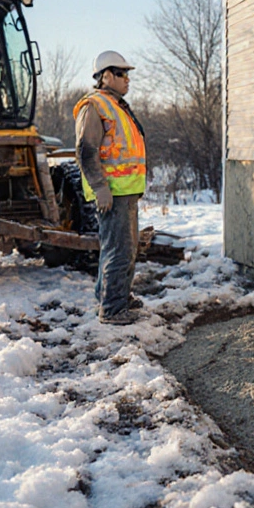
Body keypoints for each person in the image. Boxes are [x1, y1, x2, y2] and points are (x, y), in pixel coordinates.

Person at [74, 51, 147, 325]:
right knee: (119, 249)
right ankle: (113, 310)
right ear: (105, 76)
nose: (127, 79)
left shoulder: (116, 105)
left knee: (124, 248)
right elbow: (86, 150)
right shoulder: (94, 106)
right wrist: (100, 187)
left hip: (124, 190)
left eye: (127, 73)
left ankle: (113, 296)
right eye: (121, 73)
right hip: (112, 192)